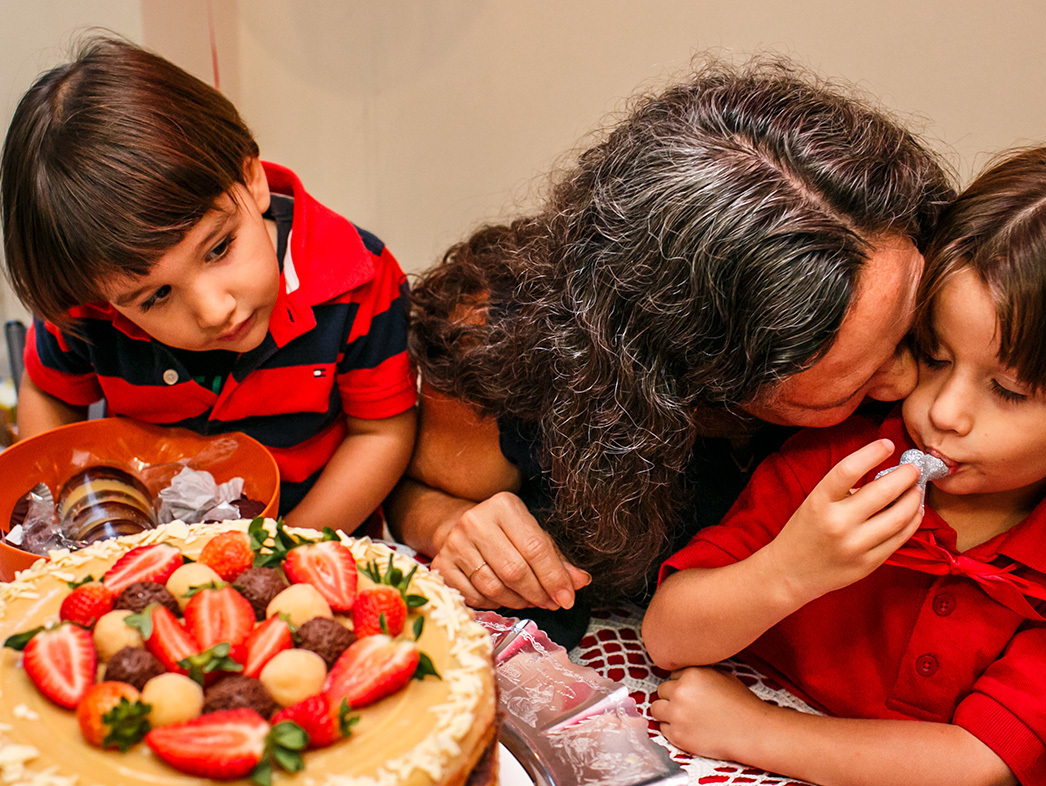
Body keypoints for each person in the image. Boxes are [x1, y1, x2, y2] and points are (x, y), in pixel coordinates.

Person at [642, 144, 1046, 786]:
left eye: (1010, 390)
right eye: (934, 356)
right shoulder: (842, 458)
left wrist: (755, 729)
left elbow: (975, 769)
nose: (944, 411)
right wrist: (793, 569)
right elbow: (668, 634)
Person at [386, 59, 953, 642]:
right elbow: (406, 485)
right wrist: (447, 522)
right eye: (854, 382)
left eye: (916, 333)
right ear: (697, 369)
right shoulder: (497, 343)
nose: (908, 383)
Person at [0, 37, 417, 535]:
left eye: (218, 249)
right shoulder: (86, 304)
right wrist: (69, 529)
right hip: (144, 558)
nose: (215, 310)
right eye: (156, 297)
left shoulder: (357, 279)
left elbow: (382, 433)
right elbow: (50, 394)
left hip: (313, 549)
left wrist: (281, 550)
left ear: (252, 178)